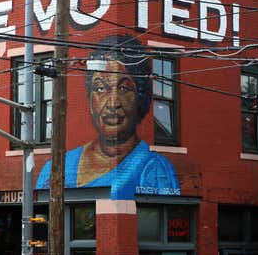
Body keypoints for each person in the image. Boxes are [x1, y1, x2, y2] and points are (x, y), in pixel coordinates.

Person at [36, 34, 180, 200]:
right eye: (100, 89)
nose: (112, 103)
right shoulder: (55, 167)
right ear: (89, 98)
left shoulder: (155, 170)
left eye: (124, 89)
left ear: (141, 97)